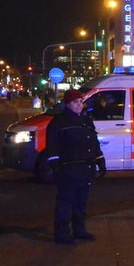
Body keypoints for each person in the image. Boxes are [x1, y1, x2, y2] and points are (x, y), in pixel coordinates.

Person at [45, 90, 106, 244]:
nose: (79, 105)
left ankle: (80, 230)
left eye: (80, 102)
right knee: (65, 203)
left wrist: (100, 160)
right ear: (67, 104)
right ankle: (62, 234)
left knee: (81, 202)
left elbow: (93, 142)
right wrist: (56, 167)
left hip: (86, 168)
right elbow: (52, 147)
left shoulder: (86, 120)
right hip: (68, 169)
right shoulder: (59, 122)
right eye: (75, 102)